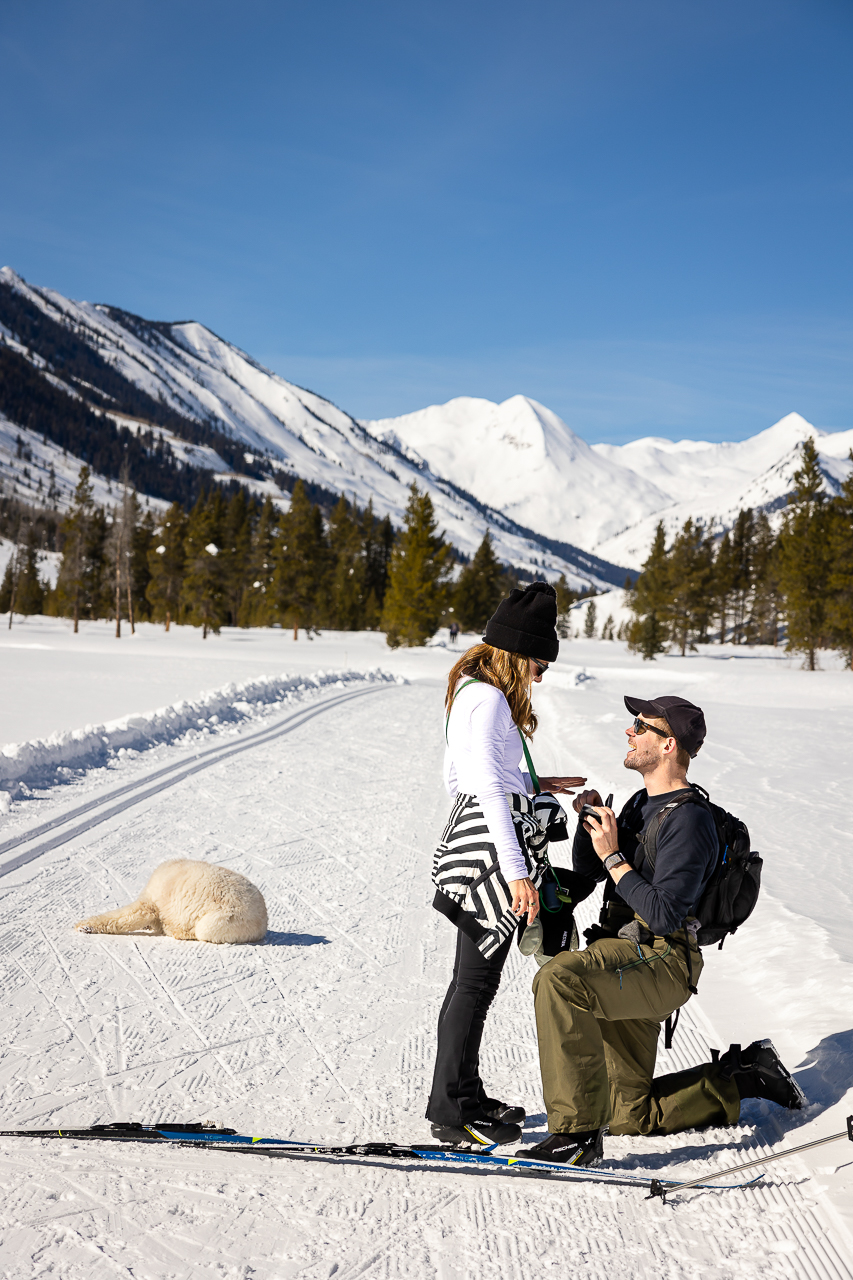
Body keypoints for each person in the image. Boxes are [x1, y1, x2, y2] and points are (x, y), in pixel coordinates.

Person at [524, 693, 804, 1167]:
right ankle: (745, 1076)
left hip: (661, 960)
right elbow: (592, 875)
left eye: (640, 725)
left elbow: (666, 915)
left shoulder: (690, 820)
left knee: (559, 980)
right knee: (629, 1114)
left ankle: (574, 1133)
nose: (628, 732)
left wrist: (614, 855)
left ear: (668, 743)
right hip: (624, 954)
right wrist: (591, 829)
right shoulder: (640, 803)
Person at [426, 582, 587, 1148]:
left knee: (475, 980)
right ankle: (452, 1108)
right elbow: (487, 790)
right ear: (518, 652)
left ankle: (462, 1093)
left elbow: (468, 779)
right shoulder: (489, 699)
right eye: (540, 663)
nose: (541, 676)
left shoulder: (473, 692)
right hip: (492, 856)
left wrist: (535, 783)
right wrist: (518, 874)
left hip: (482, 844)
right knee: (474, 983)